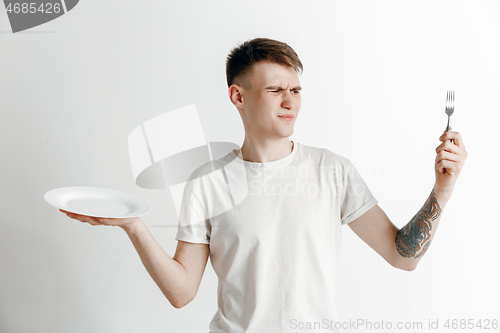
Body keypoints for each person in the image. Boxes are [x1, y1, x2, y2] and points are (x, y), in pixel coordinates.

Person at [60, 38, 468, 332]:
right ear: (238, 96)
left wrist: (442, 191)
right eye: (275, 90)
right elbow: (182, 292)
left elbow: (403, 256)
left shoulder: (332, 170)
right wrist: (134, 226)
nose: (290, 101)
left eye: (295, 90)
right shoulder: (207, 182)